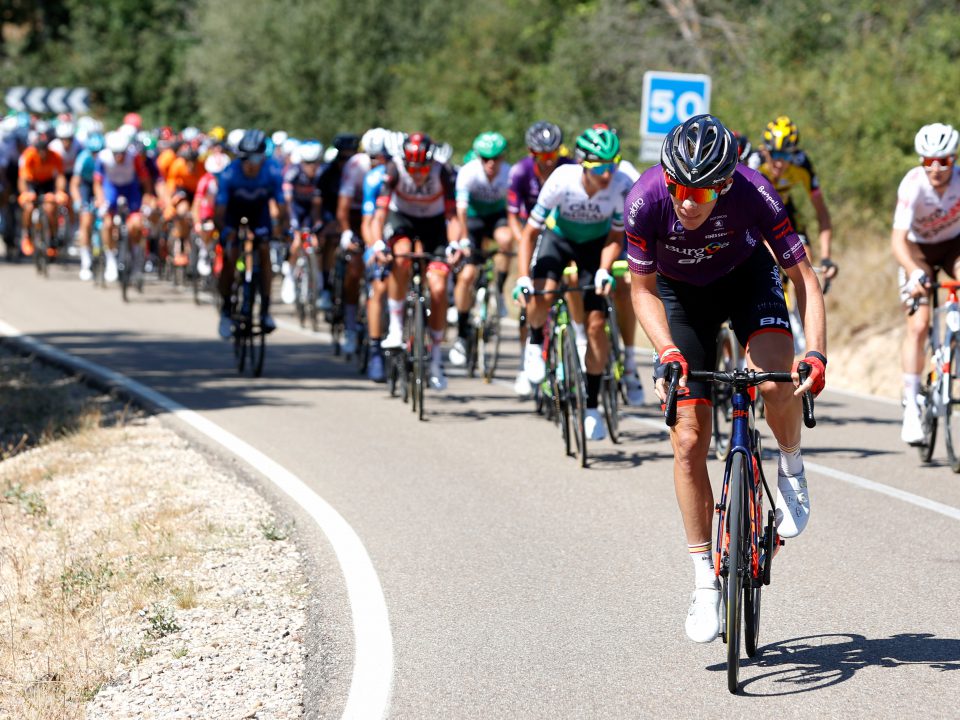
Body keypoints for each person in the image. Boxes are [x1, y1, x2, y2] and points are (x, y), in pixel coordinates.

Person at [625, 114, 826, 644]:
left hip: (746, 278)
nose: (688, 200)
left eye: (702, 189)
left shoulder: (756, 194)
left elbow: (805, 279)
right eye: (679, 186)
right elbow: (641, 291)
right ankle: (704, 582)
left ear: (726, 183)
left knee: (776, 382)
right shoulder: (645, 199)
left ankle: (791, 465)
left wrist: (817, 352)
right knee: (689, 436)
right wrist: (666, 349)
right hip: (678, 295)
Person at [515, 126, 633, 441]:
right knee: (544, 293)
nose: (607, 174)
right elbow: (530, 233)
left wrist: (605, 269)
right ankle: (536, 341)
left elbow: (616, 235)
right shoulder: (561, 179)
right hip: (559, 238)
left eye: (613, 165)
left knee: (596, 326)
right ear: (583, 164)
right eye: (599, 168)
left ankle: (592, 406)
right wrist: (523, 276)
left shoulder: (622, 186)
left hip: (596, 247)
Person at [891, 123, 960, 444]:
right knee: (918, 326)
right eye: (928, 161)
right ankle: (912, 405)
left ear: (953, 159)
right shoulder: (913, 185)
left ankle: (953, 331)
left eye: (943, 161)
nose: (936, 168)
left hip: (952, 247)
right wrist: (914, 272)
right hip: (916, 251)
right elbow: (898, 241)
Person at [372, 132, 457, 390]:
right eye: (412, 168)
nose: (418, 174)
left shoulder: (443, 172)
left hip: (434, 225)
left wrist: (454, 243)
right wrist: (377, 243)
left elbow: (453, 215)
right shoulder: (393, 170)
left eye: (422, 168)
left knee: (439, 287)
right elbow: (380, 214)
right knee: (401, 254)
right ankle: (396, 327)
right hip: (403, 220)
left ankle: (435, 360)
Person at [507, 121, 571, 395]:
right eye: (541, 156)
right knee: (532, 297)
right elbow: (512, 214)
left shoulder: (568, 167)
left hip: (563, 233)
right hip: (531, 233)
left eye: (552, 155)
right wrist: (523, 242)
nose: (547, 161)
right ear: (531, 153)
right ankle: (527, 362)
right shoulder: (520, 171)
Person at [214, 129, 288, 339]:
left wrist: (282, 229)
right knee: (231, 256)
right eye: (245, 158)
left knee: (264, 251)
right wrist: (227, 232)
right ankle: (227, 310)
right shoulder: (230, 173)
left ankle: (265, 311)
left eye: (254, 158)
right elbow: (218, 213)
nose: (249, 164)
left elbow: (281, 206)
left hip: (259, 213)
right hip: (233, 213)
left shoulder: (272, 171)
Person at [448, 131, 513, 368]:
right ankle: (462, 334)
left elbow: (515, 211)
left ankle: (500, 289)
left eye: (496, 158)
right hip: (473, 220)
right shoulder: (468, 172)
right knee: (467, 275)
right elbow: (461, 212)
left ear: (503, 157)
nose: (491, 163)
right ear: (478, 157)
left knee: (506, 241)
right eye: (485, 158)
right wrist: (464, 240)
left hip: (496, 217)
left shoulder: (509, 174)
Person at [750, 115, 838, 281]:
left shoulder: (802, 164)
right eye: (775, 154)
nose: (779, 163)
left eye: (786, 156)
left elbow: (821, 212)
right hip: (758, 215)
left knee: (806, 258)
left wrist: (826, 257)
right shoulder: (755, 163)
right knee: (770, 257)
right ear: (765, 150)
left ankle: (801, 304)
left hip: (784, 210)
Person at [94, 130, 155, 282]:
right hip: (111, 189)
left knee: (135, 224)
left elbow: (146, 182)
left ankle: (135, 258)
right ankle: (111, 261)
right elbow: (97, 183)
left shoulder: (134, 157)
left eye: (121, 153)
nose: (119, 156)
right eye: (116, 153)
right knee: (107, 224)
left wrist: (146, 202)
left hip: (130, 190)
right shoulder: (103, 158)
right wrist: (101, 201)